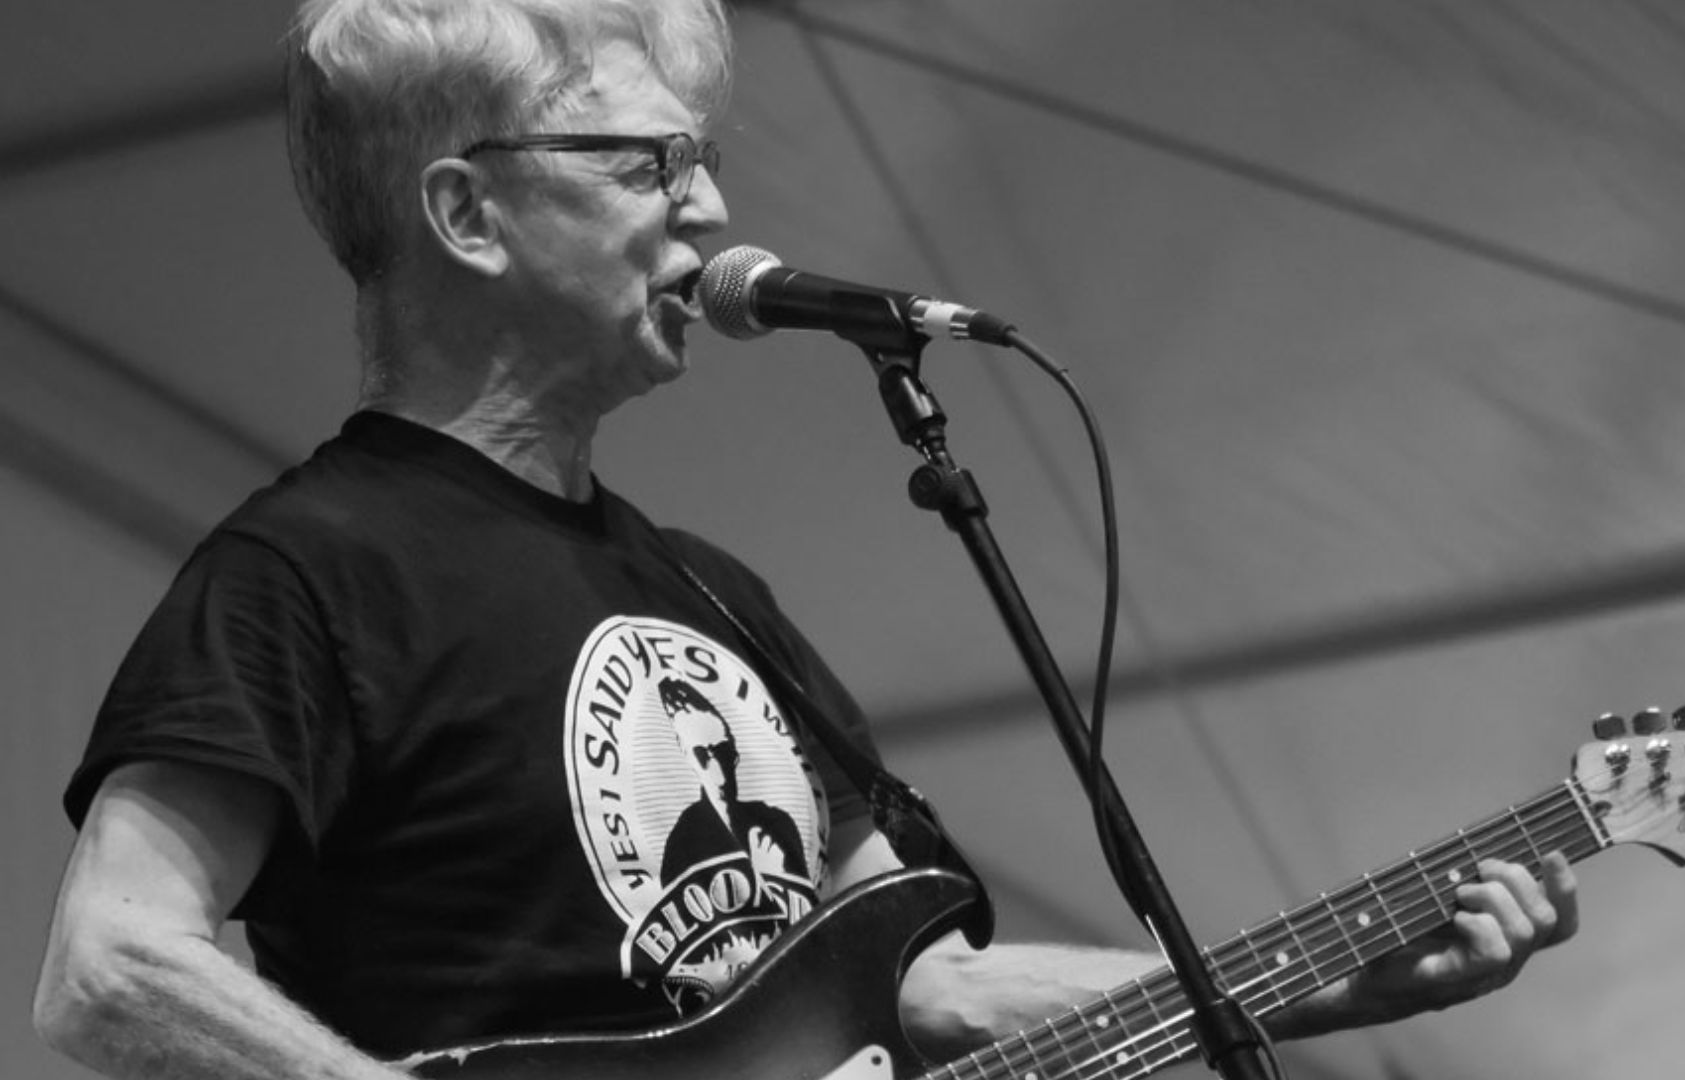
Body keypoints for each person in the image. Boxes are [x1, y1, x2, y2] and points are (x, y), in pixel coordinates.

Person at [33, 1, 1579, 1076]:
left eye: (701, 159)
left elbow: (929, 997)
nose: (712, 209)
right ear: (467, 216)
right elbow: (111, 967)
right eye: (649, 162)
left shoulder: (711, 592)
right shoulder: (310, 567)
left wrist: (1317, 981)